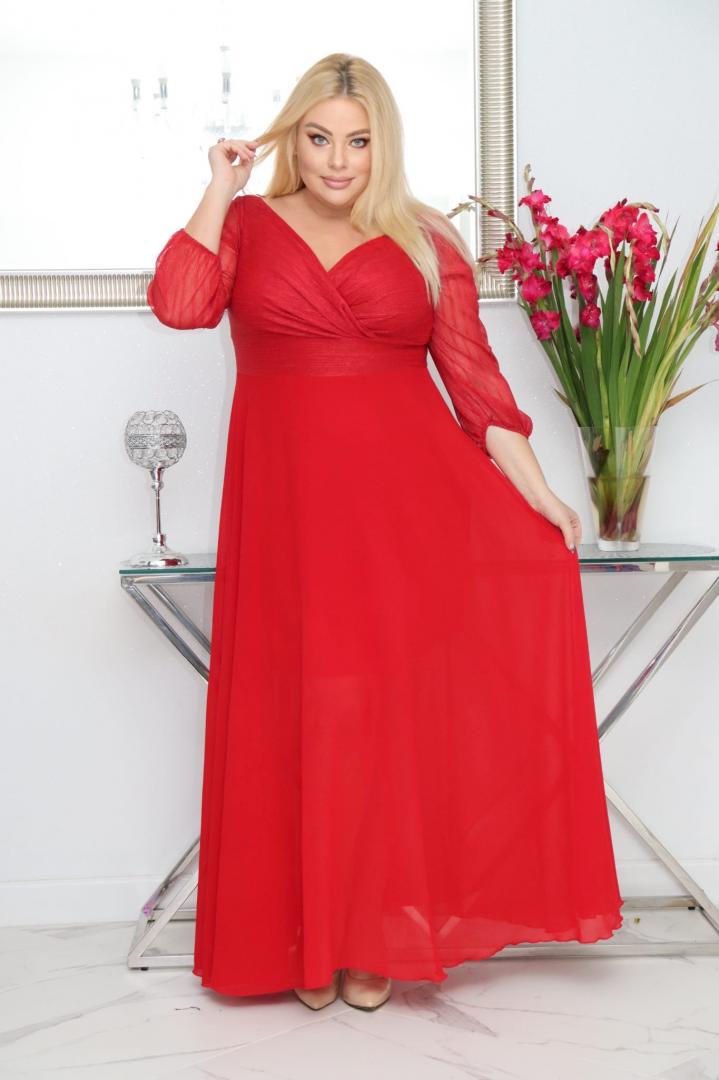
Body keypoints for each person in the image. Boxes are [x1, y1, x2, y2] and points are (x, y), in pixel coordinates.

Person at [147, 51, 623, 1013]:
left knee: (376, 717)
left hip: (404, 516)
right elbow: (180, 304)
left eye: (358, 142)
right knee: (301, 712)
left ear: (383, 145)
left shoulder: (423, 237)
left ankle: (369, 937)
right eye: (319, 139)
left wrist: (539, 494)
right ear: (292, 140)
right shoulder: (245, 224)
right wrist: (220, 186)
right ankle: (305, 940)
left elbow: (474, 381)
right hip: (285, 517)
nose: (337, 161)